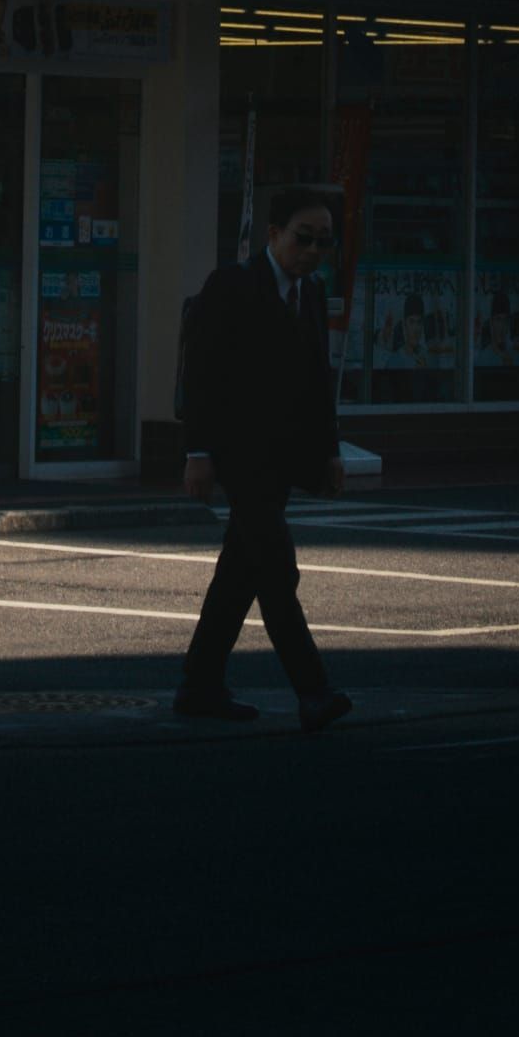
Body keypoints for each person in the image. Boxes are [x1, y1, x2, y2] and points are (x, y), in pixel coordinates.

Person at [175, 185, 353, 733]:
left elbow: (318, 381)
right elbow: (201, 374)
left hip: (282, 460)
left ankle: (200, 687)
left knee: (239, 575)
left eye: (324, 242)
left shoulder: (313, 294)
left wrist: (329, 452)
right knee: (278, 569)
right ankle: (313, 691)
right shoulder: (231, 287)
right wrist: (199, 453)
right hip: (238, 455)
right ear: (273, 234)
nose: (313, 251)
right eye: (304, 238)